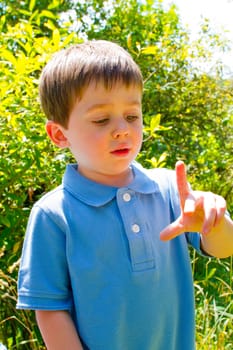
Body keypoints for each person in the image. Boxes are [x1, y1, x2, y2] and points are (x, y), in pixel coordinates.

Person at [17, 40, 233, 350]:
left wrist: (213, 222)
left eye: (132, 116)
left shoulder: (169, 189)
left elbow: (226, 248)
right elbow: (50, 309)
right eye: (101, 120)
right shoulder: (54, 213)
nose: (122, 129)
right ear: (60, 134)